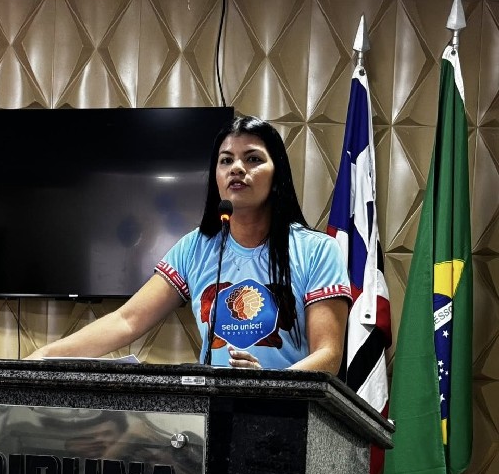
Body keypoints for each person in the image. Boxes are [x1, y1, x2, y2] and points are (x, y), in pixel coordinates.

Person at [28, 114, 351, 371]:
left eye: (253, 159)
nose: (237, 168)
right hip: (212, 414)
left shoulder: (317, 250)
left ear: (277, 175)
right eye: (226, 160)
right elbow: (127, 321)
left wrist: (269, 386)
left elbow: (328, 355)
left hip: (291, 416)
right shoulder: (195, 248)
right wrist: (44, 356)